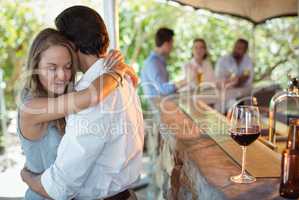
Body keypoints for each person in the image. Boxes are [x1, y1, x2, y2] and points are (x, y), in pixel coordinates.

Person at [20, 6, 144, 200]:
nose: (62, 74)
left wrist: (27, 177)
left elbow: (60, 188)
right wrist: (118, 70)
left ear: (70, 44)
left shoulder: (97, 87)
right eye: (52, 67)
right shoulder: (114, 80)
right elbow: (90, 96)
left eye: (67, 66)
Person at [141, 27, 186, 97]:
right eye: (171, 43)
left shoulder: (160, 61)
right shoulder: (153, 62)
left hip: (163, 102)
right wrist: (184, 81)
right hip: (158, 105)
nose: (172, 47)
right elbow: (163, 89)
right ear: (166, 44)